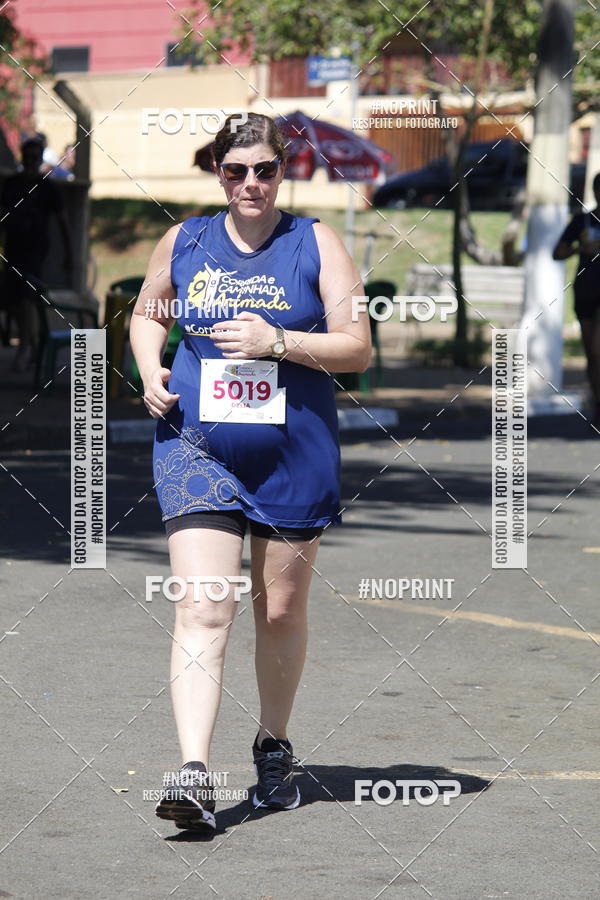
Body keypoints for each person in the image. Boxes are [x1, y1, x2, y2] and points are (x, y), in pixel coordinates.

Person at [130, 112, 371, 831]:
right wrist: (149, 367)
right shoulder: (186, 239)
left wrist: (280, 341)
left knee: (280, 610)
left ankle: (273, 745)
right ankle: (194, 773)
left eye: (265, 169)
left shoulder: (315, 243)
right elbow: (148, 314)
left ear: (282, 171)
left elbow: (357, 346)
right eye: (236, 171)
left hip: (293, 452)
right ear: (219, 174)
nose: (251, 184)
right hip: (197, 448)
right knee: (204, 605)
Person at [0, 136, 73, 370]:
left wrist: (69, 254)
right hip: (12, 248)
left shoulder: (48, 187)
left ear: (40, 159)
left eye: (35, 157)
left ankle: (24, 350)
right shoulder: (11, 184)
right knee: (11, 300)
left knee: (27, 298)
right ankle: (31, 342)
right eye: (27, 156)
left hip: (35, 251)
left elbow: (63, 222)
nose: (31, 161)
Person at [553, 173, 600, 426]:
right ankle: (597, 402)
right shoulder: (582, 221)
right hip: (585, 290)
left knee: (597, 349)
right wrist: (581, 248)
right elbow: (557, 252)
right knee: (592, 355)